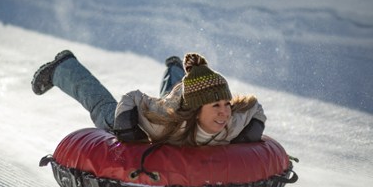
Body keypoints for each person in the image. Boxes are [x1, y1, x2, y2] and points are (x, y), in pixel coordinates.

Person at [31, 50, 266, 146]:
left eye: (226, 104)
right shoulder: (159, 122)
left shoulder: (232, 123)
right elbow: (132, 98)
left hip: (178, 105)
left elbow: (253, 108)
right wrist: (125, 126)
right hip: (161, 113)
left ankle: (176, 70)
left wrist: (254, 129)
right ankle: (64, 68)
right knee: (106, 112)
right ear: (196, 109)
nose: (225, 112)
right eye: (216, 105)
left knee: (170, 100)